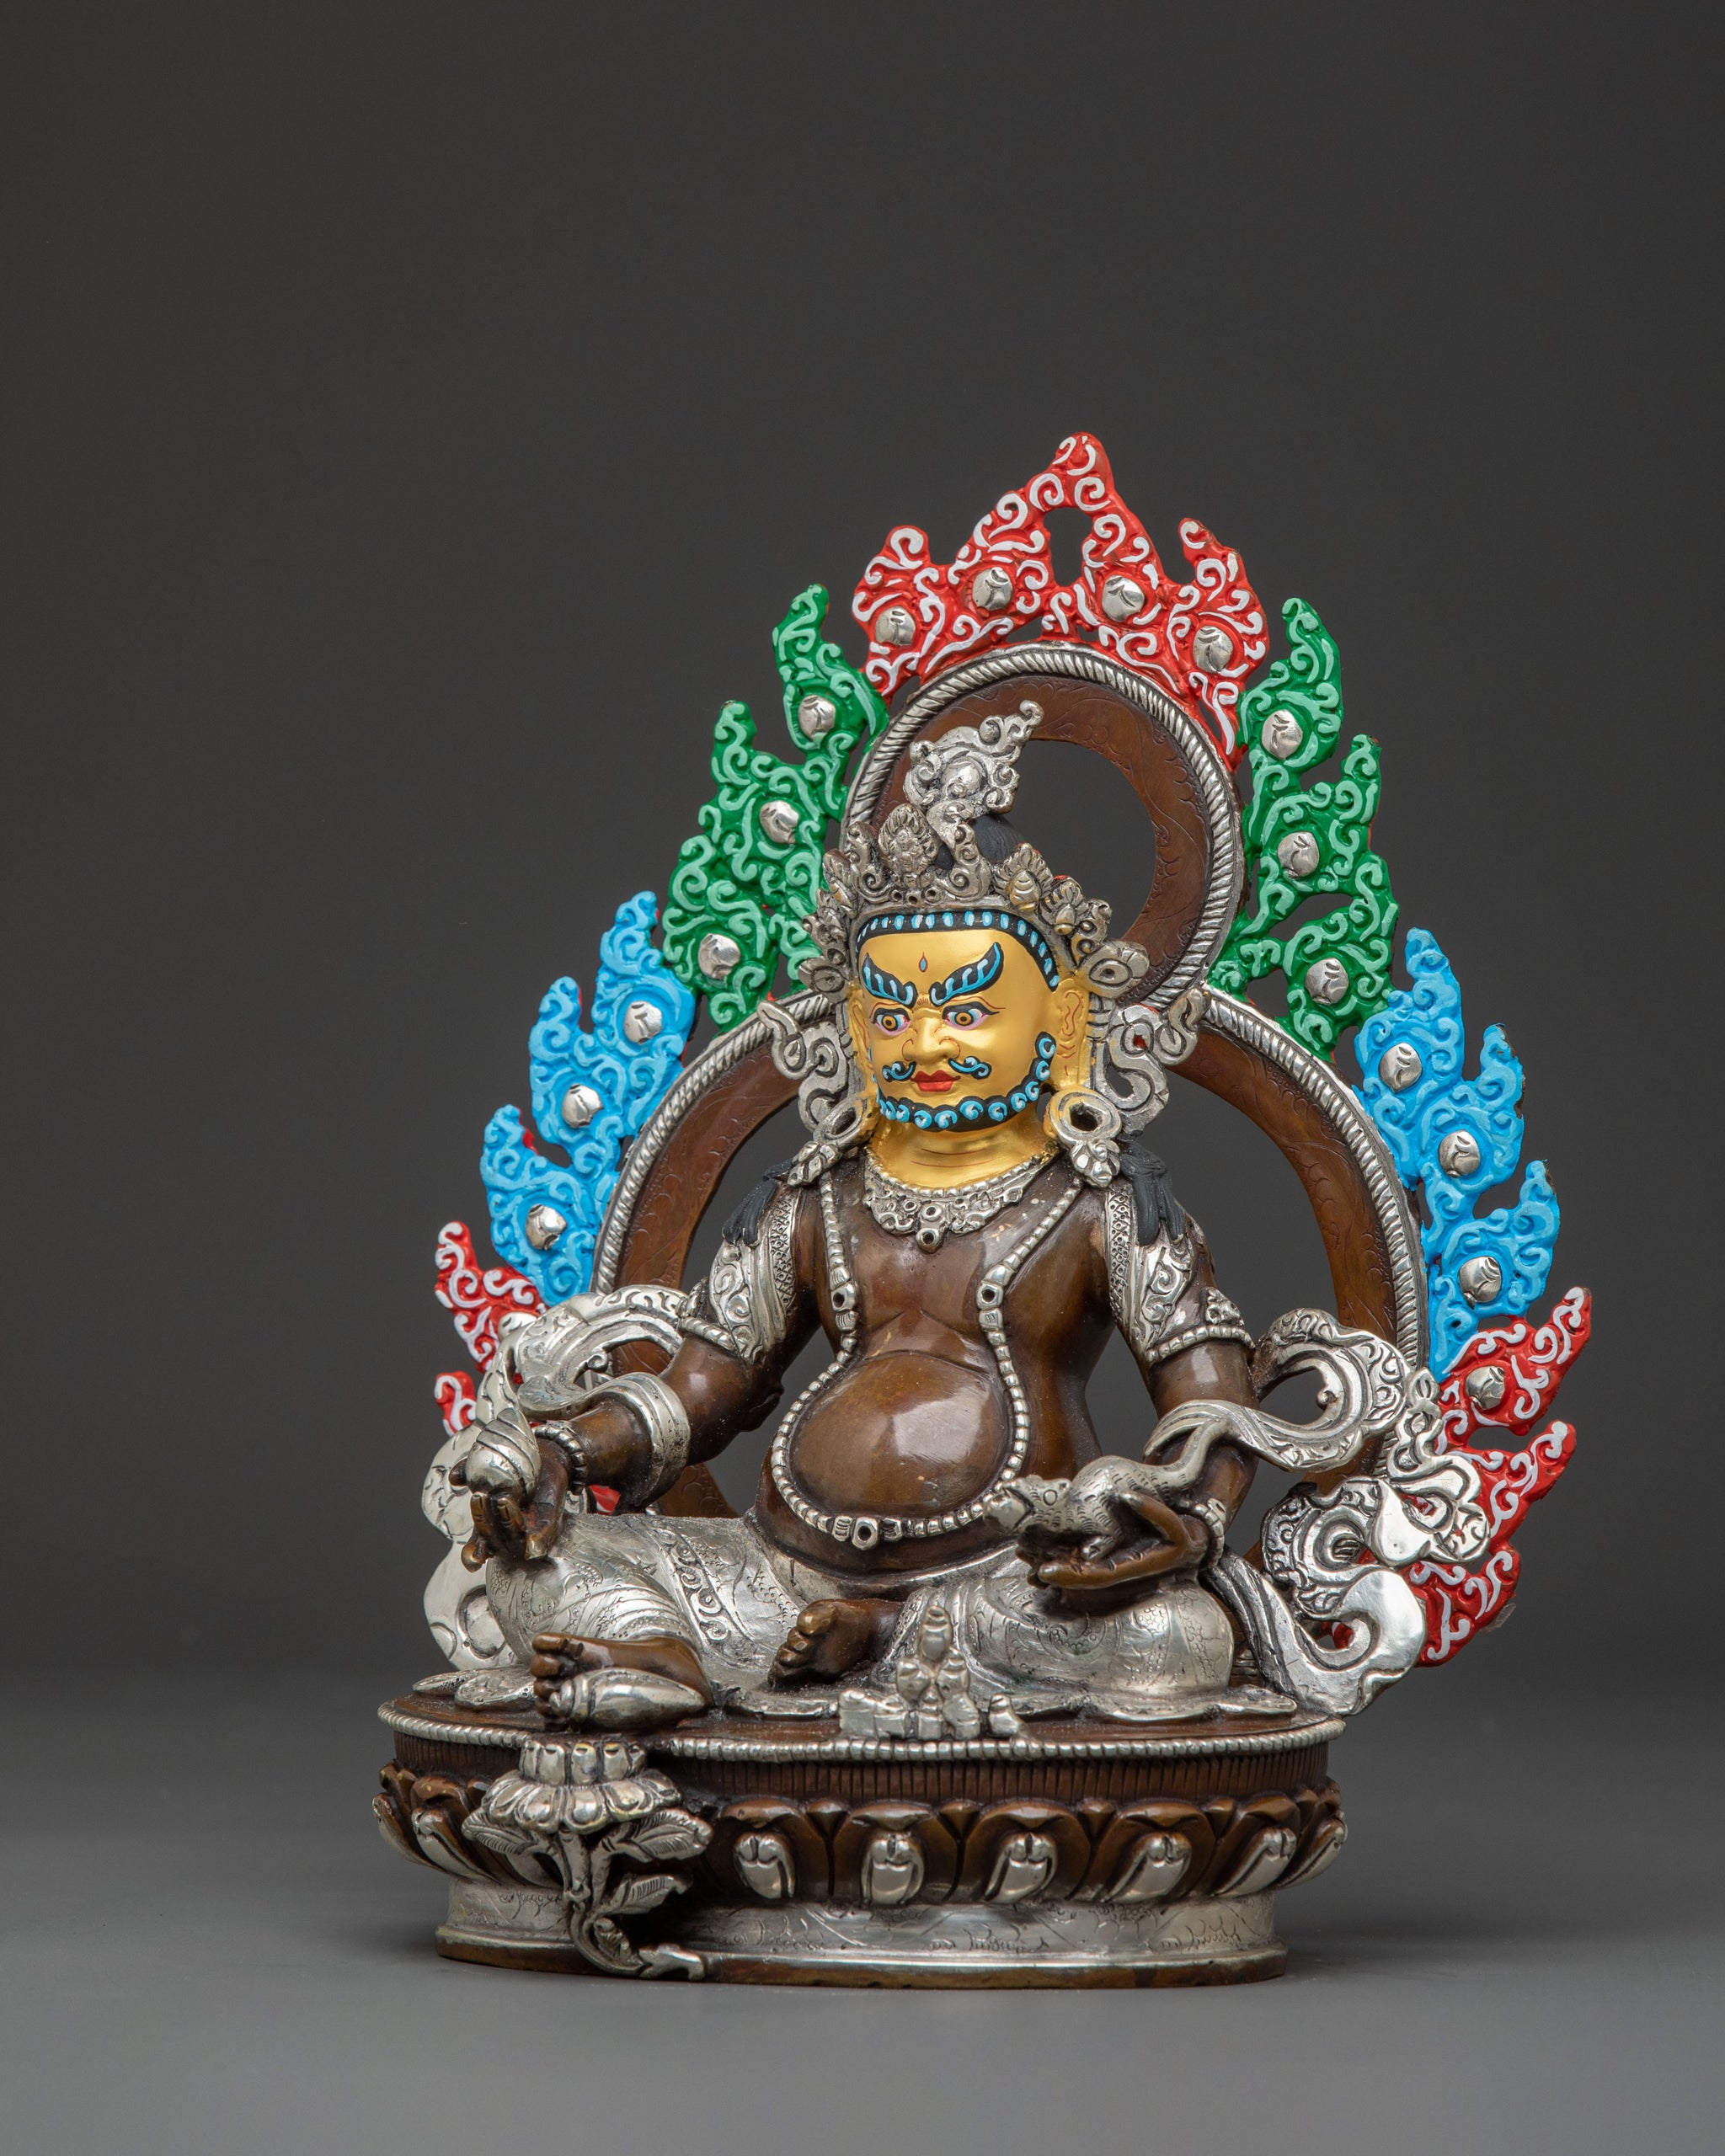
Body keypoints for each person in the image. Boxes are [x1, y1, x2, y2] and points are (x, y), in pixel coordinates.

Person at [459, 703, 1264, 1727]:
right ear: (848, 1025)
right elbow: (699, 1391)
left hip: (1008, 1585)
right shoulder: (811, 1198)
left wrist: (1177, 1517)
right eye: (890, 1014)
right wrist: (561, 1453)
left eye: (965, 1010)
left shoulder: (1104, 1204)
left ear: (1061, 1019)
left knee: (1175, 1636)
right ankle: (663, 1657)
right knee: (539, 1562)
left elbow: (1209, 1407)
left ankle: (882, 1637)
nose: (924, 1042)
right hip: (775, 1573)